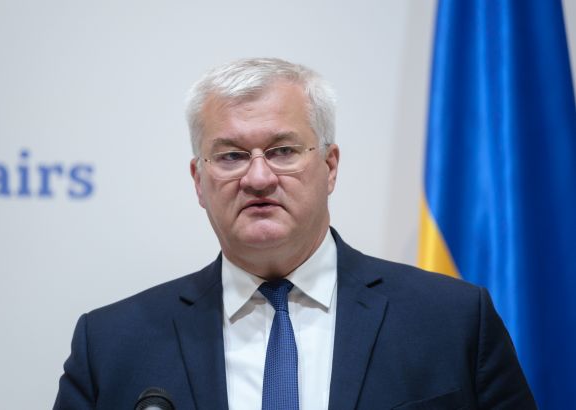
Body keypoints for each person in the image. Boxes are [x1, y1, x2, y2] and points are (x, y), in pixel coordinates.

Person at [53, 58, 536, 409]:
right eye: (230, 156)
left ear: (330, 166)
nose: (258, 177)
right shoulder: (112, 345)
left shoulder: (452, 321)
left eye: (283, 151)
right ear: (199, 181)